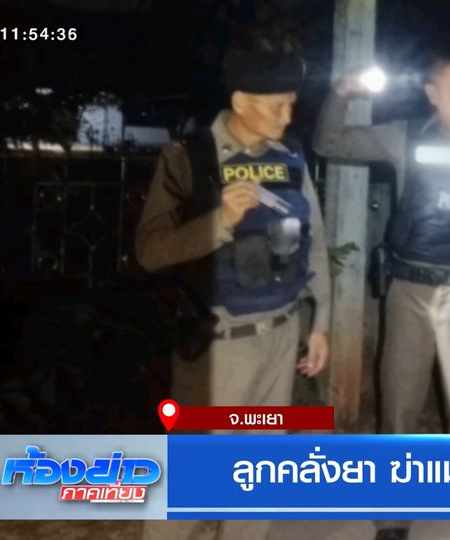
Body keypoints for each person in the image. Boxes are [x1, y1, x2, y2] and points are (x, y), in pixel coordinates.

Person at [313, 50, 450, 540]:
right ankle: (393, 520)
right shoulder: (404, 137)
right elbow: (328, 141)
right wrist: (341, 93)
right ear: (433, 94)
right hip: (408, 293)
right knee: (398, 408)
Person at [137, 44, 331, 540]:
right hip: (218, 348)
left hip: (281, 337)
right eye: (278, 105)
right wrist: (220, 220)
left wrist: (320, 323)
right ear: (242, 102)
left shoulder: (290, 158)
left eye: (292, 104)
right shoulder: (187, 158)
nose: (289, 117)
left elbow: (315, 243)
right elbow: (150, 251)